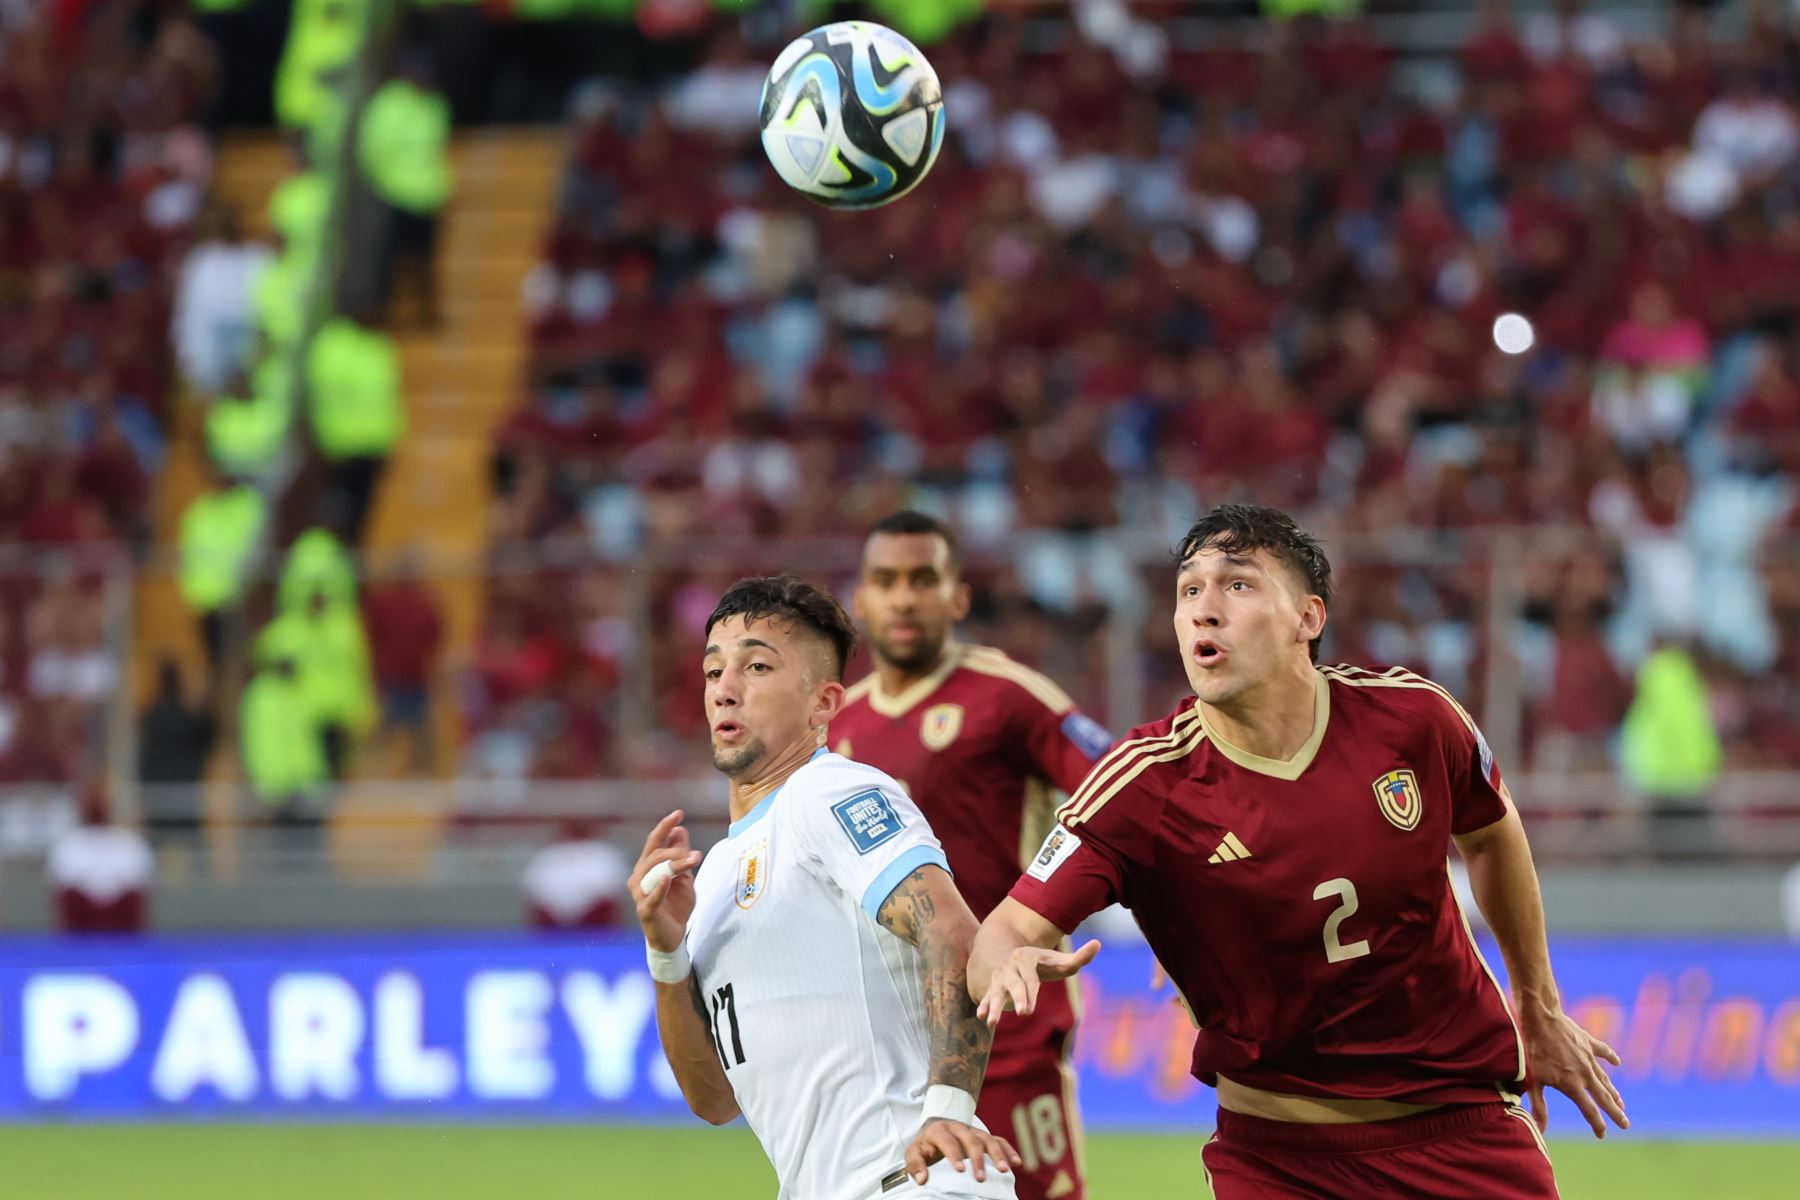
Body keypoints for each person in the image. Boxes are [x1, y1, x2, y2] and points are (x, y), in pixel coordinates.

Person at [970, 504, 1628, 1199]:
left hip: (1461, 1134)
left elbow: (1493, 832)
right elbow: (1004, 931)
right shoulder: (1142, 784)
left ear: (1308, 618)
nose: (1204, 609)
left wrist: (1538, 1005)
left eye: (1238, 585)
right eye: (1189, 590)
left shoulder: (1413, 722)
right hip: (1280, 1162)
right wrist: (1004, 962)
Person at [632, 576, 1020, 1199]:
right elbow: (713, 1100)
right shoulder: (715, 875)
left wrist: (948, 1107)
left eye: (756, 667)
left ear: (824, 704)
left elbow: (951, 930)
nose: (725, 690)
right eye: (712, 672)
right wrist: (666, 952)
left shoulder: (828, 792)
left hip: (910, 1182)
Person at [833, 511, 1112, 1200]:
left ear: (958, 598)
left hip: (1007, 1023)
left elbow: (1118, 791)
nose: (904, 598)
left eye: (924, 579)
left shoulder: (1008, 697)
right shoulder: (835, 728)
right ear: (860, 600)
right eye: (886, 581)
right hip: (887, 1046)